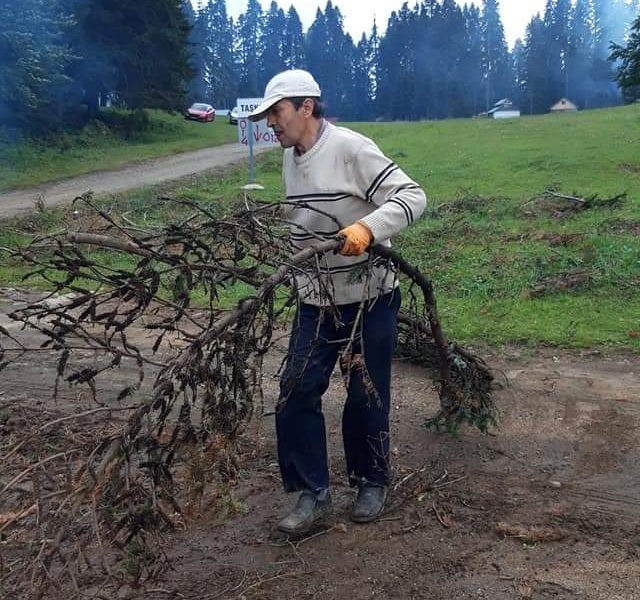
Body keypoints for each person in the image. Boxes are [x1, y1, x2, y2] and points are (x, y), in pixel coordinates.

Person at [248, 69, 427, 535]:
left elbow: (413, 195)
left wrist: (368, 228)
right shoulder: (291, 156)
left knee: (364, 391)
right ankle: (312, 494)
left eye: (277, 112)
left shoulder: (350, 148)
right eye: (268, 115)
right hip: (317, 297)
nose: (271, 123)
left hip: (369, 296)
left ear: (306, 107)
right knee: (295, 390)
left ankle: (371, 480)